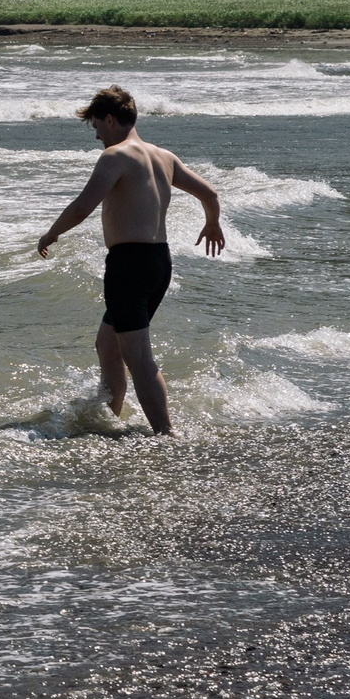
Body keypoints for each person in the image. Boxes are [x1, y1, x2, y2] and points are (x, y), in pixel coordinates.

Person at [34, 85, 226, 436]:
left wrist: (51, 234)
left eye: (96, 125)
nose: (96, 134)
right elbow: (210, 193)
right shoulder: (163, 156)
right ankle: (108, 419)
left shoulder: (116, 156)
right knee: (108, 345)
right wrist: (212, 223)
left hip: (128, 264)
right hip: (158, 262)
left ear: (110, 119)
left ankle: (167, 436)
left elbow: (82, 206)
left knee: (138, 357)